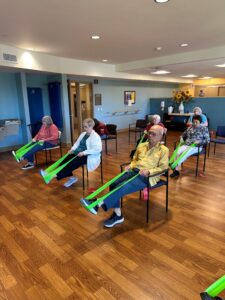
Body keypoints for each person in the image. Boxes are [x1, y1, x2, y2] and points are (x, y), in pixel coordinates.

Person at [80, 125, 169, 228]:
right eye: (149, 133)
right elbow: (135, 160)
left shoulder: (163, 150)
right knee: (113, 184)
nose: (150, 135)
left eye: (153, 134)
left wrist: (149, 171)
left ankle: (97, 204)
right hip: (134, 171)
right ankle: (118, 215)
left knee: (122, 187)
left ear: (160, 137)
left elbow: (163, 168)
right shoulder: (142, 145)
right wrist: (130, 165)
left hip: (147, 177)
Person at [54, 118, 102, 187]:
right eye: (83, 126)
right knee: (65, 161)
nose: (84, 128)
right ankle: (72, 178)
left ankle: (56, 175)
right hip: (78, 153)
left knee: (73, 163)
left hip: (88, 156)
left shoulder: (95, 137)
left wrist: (83, 153)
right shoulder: (83, 134)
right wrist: (72, 149)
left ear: (91, 126)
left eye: (86, 127)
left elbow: (97, 149)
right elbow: (77, 143)